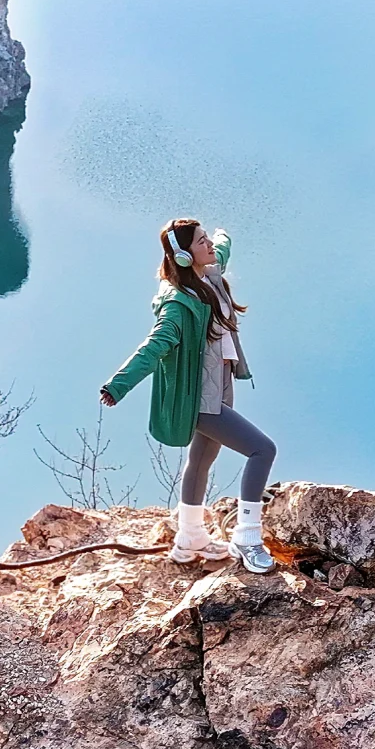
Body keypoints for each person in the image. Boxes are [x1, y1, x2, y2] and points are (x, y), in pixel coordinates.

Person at [100, 219, 276, 574]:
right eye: (201, 241)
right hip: (200, 399)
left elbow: (222, 251)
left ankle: (190, 537)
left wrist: (225, 232)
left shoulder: (208, 275)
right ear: (182, 256)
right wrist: (118, 385)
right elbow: (154, 347)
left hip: (220, 387)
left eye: (207, 238)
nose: (209, 244)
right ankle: (247, 536)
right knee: (262, 450)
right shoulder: (178, 305)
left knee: (201, 460)